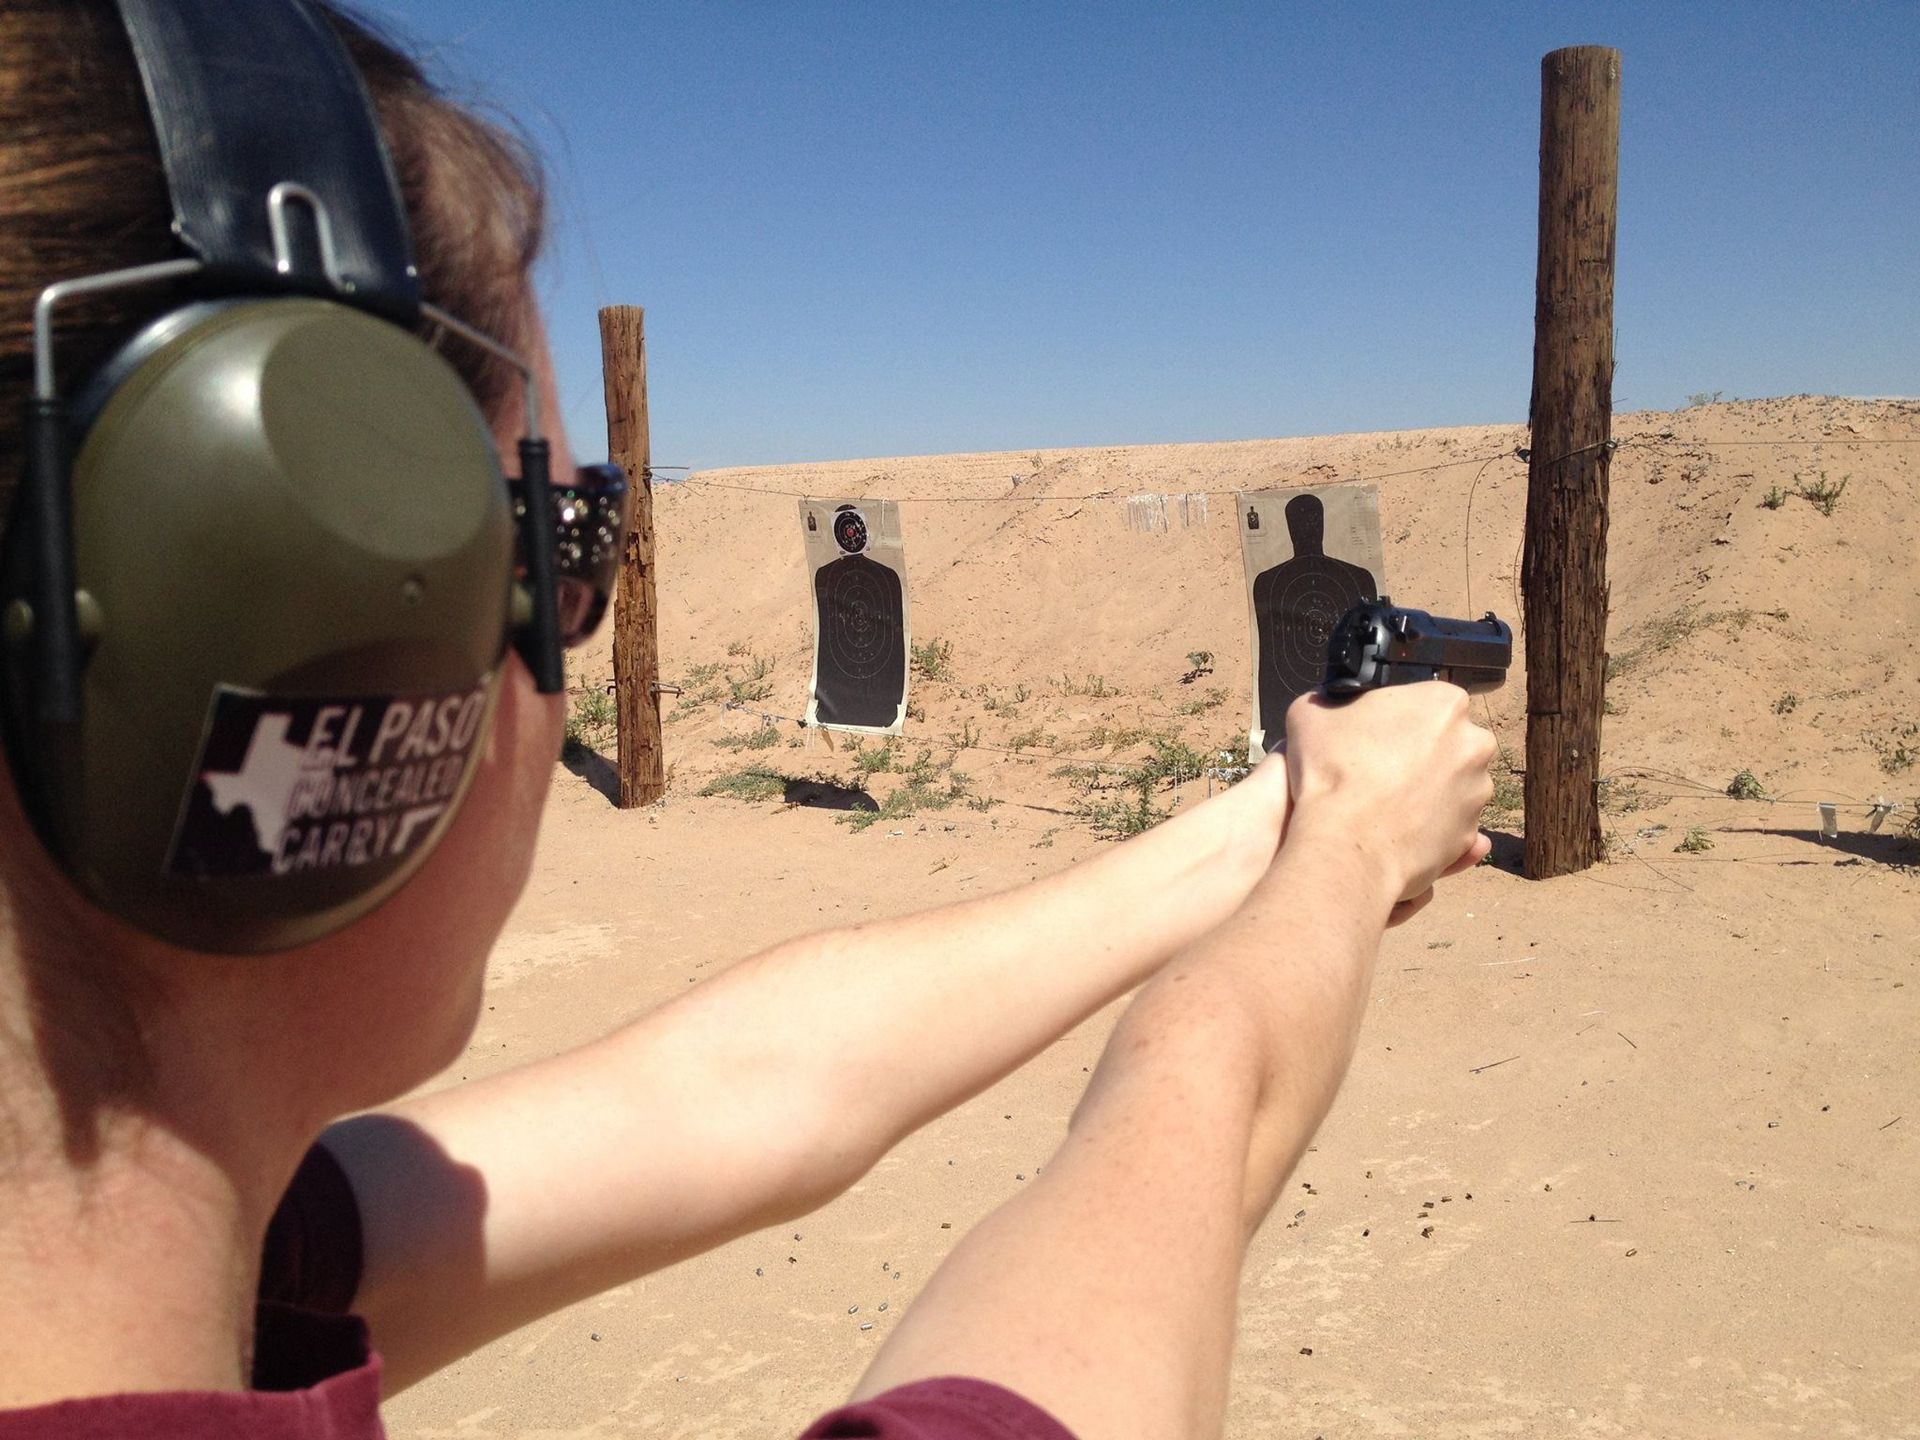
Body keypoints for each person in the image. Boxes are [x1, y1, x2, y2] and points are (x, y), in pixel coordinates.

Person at [0, 4, 1496, 1438]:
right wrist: (1348, 863)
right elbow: (1194, 1122)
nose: (572, 606)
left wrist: (1265, 830)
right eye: (554, 546)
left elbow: (744, 1091)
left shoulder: (233, 1254)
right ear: (308, 623)